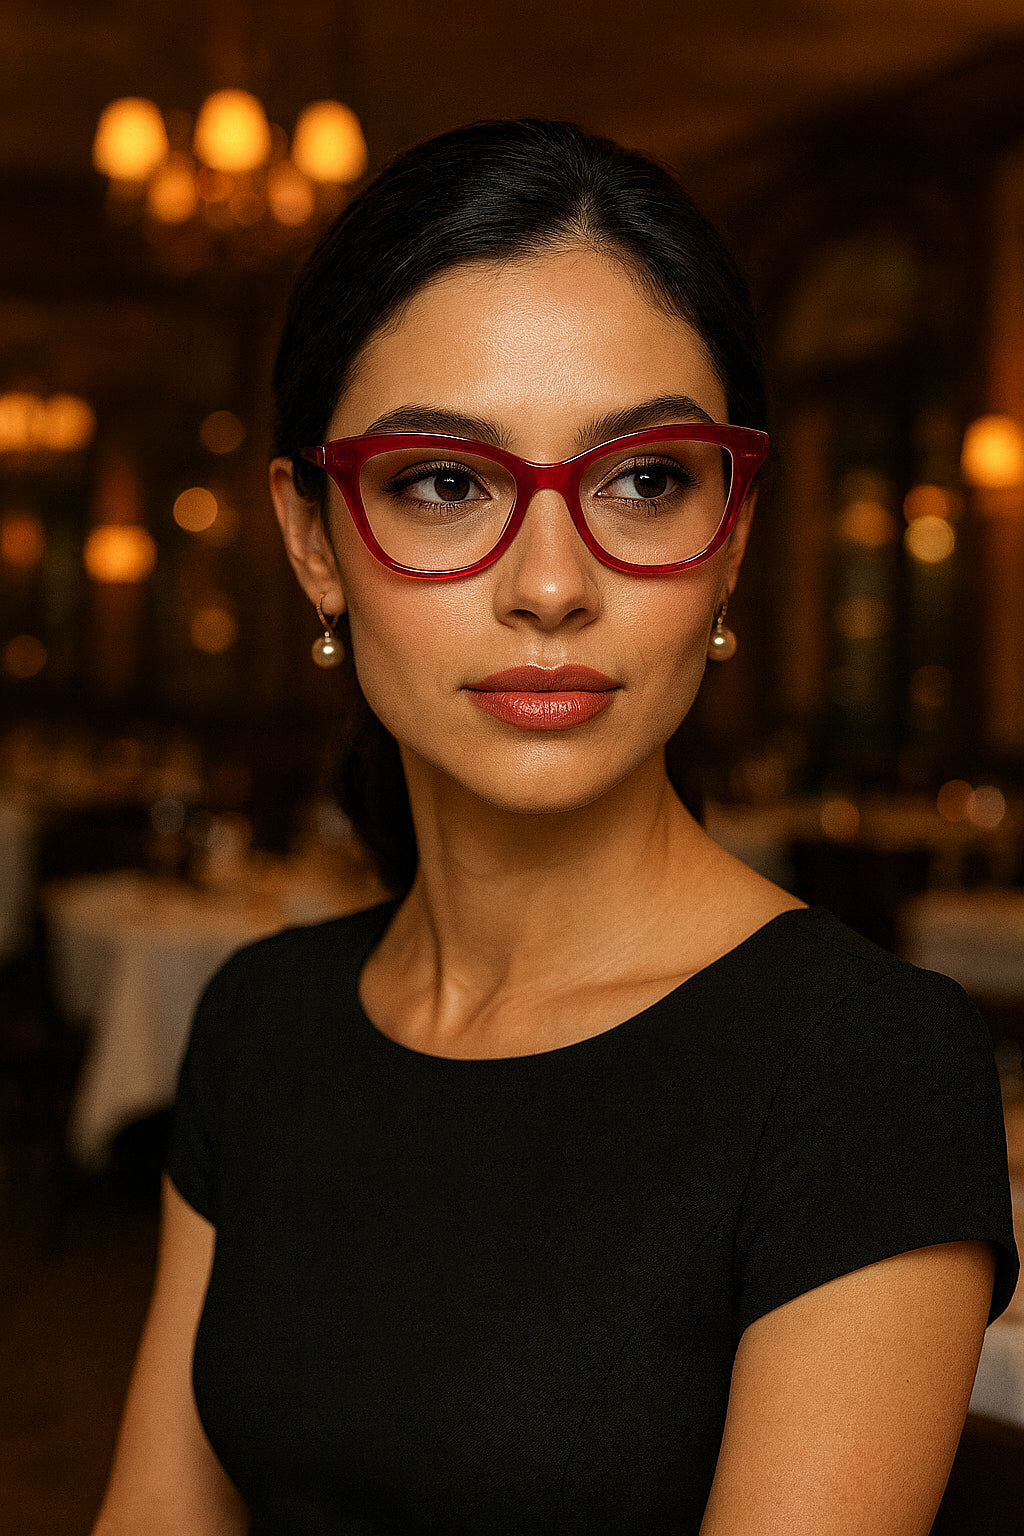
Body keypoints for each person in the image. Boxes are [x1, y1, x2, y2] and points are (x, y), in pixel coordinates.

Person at [92, 119, 1018, 1536]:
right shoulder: (260, 1022)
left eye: (643, 481)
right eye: (444, 482)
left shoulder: (861, 1068)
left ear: (734, 536)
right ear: (311, 542)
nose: (549, 583)